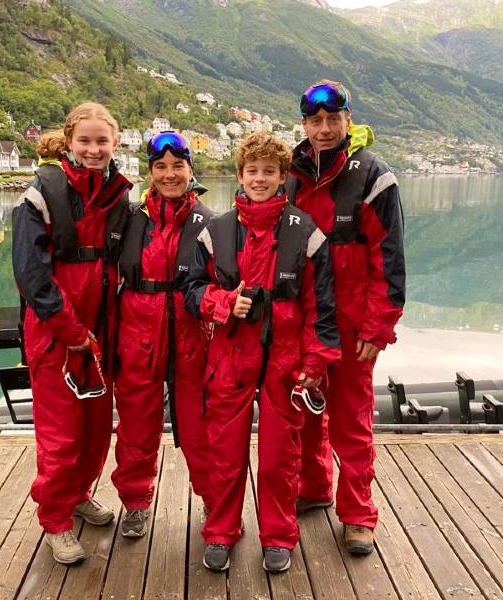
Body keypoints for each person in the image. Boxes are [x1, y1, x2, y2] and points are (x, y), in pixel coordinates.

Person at [183, 131, 341, 573]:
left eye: (269, 171)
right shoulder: (215, 231)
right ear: (239, 175)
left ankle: (279, 535)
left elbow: (320, 304)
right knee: (225, 452)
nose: (259, 178)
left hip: (286, 359)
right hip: (230, 356)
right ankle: (220, 531)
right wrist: (222, 303)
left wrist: (316, 359)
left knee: (279, 454)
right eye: (252, 171)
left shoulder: (307, 233)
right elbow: (191, 290)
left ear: (282, 176)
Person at [286, 80, 405, 555]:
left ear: (348, 120)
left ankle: (357, 514)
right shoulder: (290, 175)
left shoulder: (375, 177)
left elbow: (390, 260)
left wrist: (380, 326)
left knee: (351, 421)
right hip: (304, 320)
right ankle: (315, 488)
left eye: (333, 119)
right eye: (315, 121)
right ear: (304, 125)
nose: (324, 128)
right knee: (305, 408)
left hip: (355, 324)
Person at [12, 102, 132, 565]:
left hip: (101, 331)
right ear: (69, 142)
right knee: (61, 435)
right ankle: (56, 519)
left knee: (96, 430)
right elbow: (31, 273)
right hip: (56, 334)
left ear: (115, 143)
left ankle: (80, 494)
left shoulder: (118, 194)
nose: (94, 148)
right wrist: (71, 330)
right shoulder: (41, 194)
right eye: (85, 140)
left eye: (102, 140)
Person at [112, 132, 216, 537]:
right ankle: (135, 502)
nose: (170, 174)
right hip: (137, 328)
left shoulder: (210, 221)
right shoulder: (131, 218)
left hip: (191, 331)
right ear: (150, 172)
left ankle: (212, 499)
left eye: (178, 166)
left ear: (191, 169)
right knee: (137, 423)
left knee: (199, 425)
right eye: (161, 167)